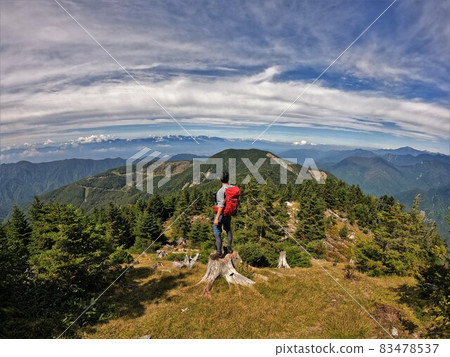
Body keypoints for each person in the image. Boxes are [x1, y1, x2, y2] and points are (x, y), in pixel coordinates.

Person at [213, 171, 233, 258]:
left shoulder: (220, 191)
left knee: (217, 232)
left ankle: (219, 252)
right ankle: (229, 248)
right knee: (228, 229)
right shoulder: (233, 188)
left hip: (221, 214)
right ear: (228, 178)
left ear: (220, 179)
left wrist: (217, 218)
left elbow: (220, 206)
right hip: (228, 213)